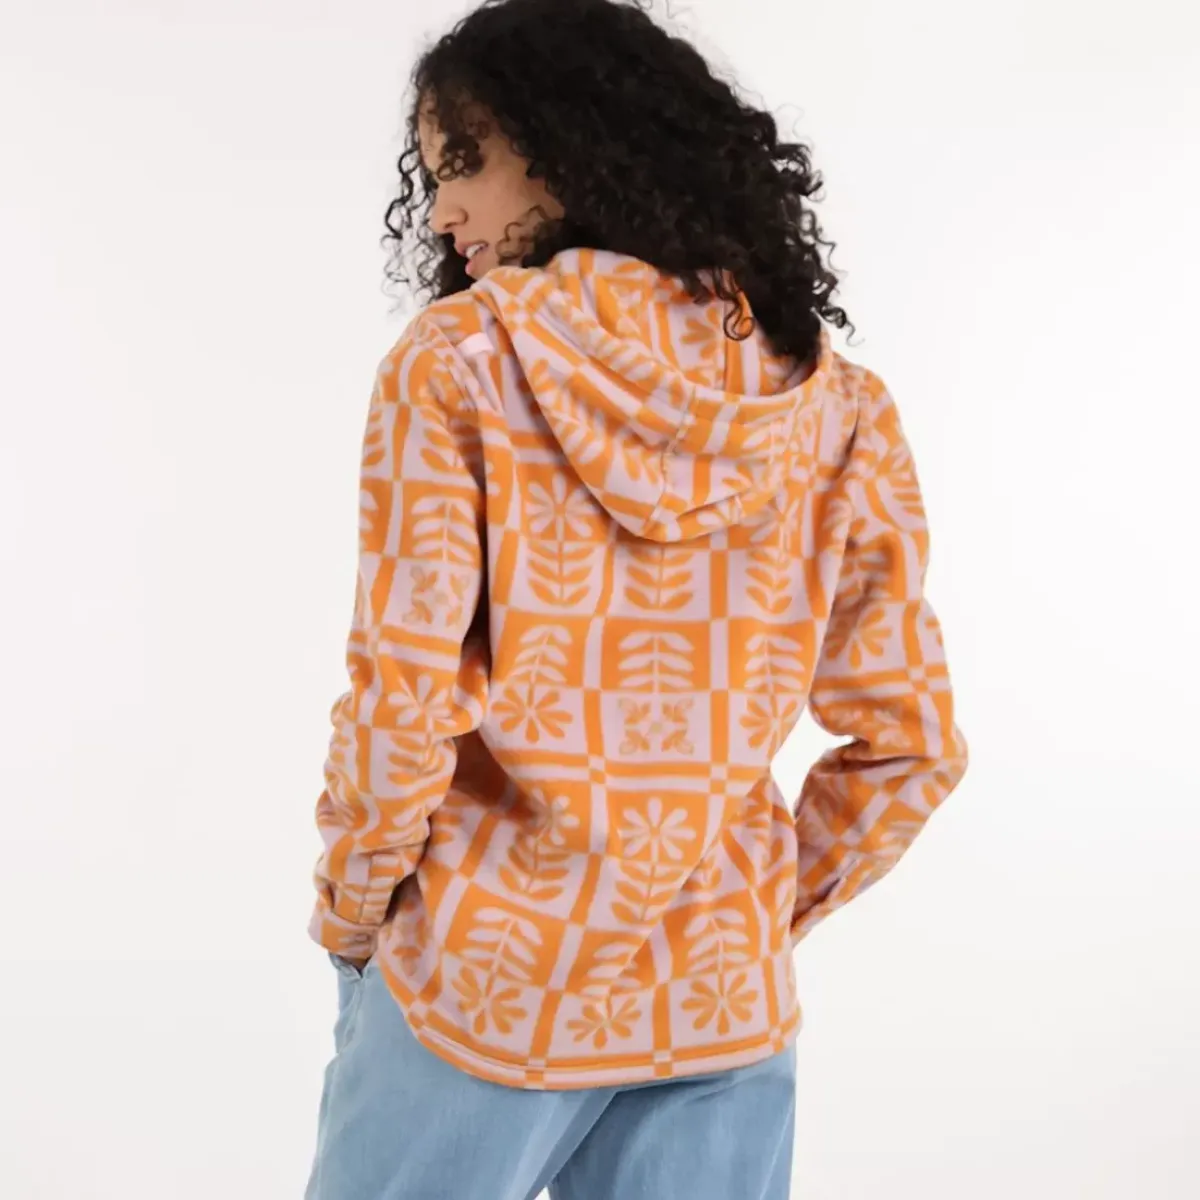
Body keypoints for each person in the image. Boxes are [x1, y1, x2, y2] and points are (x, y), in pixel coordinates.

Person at [304, 1, 967, 1196]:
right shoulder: (839, 408)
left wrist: (355, 915)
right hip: (720, 1008)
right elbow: (910, 741)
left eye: (466, 161)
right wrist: (748, 918)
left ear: (575, 145)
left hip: (481, 985)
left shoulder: (456, 364)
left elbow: (402, 702)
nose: (442, 210)